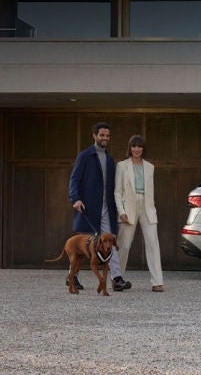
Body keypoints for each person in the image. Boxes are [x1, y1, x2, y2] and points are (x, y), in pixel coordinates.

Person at [67, 122, 130, 292]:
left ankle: (116, 278)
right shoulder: (85, 156)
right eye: (102, 135)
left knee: (111, 242)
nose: (105, 138)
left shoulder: (110, 160)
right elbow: (74, 179)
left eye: (107, 136)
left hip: (106, 210)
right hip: (88, 208)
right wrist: (75, 198)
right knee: (83, 244)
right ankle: (72, 278)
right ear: (95, 136)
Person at [114, 135, 165, 292]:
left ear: (143, 149)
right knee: (124, 245)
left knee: (153, 244)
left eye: (139, 146)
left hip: (147, 207)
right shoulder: (122, 166)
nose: (137, 149)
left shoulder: (150, 167)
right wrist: (121, 211)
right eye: (134, 146)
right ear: (129, 148)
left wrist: (152, 208)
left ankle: (157, 282)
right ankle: (117, 278)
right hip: (128, 206)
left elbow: (151, 192)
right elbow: (117, 191)